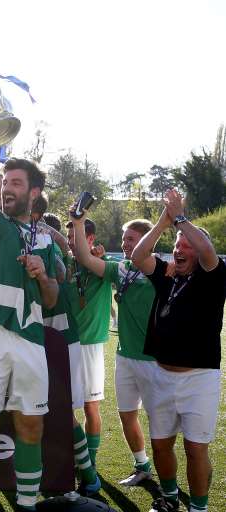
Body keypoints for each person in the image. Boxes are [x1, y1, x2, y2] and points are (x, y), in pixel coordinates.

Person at [0, 150, 59, 512]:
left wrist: (43, 274)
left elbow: (50, 300)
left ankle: (26, 505)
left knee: (31, 426)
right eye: (5, 182)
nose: (7, 189)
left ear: (34, 193)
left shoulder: (46, 240)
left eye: (16, 183)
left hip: (32, 338)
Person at [131, 189, 225, 512]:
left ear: (198, 252)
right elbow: (138, 257)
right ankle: (169, 499)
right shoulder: (168, 276)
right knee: (159, 445)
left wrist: (182, 219)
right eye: (176, 246)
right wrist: (163, 221)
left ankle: (198, 508)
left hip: (199, 378)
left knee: (196, 449)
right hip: (161, 375)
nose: (179, 249)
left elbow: (208, 249)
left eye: (186, 246)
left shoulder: (213, 276)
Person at [71, 216, 157, 487]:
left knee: (161, 423)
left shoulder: (162, 270)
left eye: (131, 239)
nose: (124, 244)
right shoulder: (122, 269)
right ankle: (142, 465)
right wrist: (78, 221)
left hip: (155, 359)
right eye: (124, 239)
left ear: (147, 241)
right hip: (125, 354)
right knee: (126, 414)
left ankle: (168, 489)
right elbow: (84, 257)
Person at [39, 212, 101, 496]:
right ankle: (67, 473)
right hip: (39, 339)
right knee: (39, 412)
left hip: (62, 341)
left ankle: (87, 475)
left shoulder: (57, 254)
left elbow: (65, 248)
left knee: (63, 412)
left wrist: (47, 232)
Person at [64, 216, 113, 469]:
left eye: (77, 236)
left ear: (90, 238)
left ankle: (90, 462)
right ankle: (75, 457)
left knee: (91, 406)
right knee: (64, 406)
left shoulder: (101, 263)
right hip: (66, 344)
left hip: (90, 344)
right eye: (69, 236)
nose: (72, 241)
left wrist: (98, 256)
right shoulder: (66, 264)